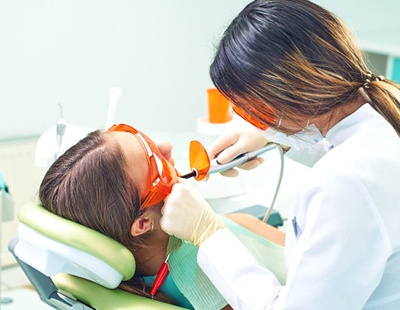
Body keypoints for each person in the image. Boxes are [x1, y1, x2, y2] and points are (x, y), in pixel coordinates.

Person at [160, 0, 400, 309]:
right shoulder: (384, 109)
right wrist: (278, 137)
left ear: (281, 98)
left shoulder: (342, 184)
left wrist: (208, 235)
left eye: (253, 111)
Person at [39, 124, 287, 310]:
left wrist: (283, 135)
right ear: (143, 223)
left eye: (147, 140)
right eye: (154, 162)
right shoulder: (204, 281)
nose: (167, 146)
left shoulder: (155, 267)